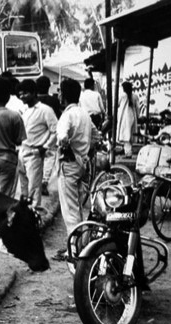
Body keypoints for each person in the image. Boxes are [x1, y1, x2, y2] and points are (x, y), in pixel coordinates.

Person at [53, 79, 96, 260]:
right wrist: (86, 152)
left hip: (69, 166)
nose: (59, 95)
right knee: (78, 208)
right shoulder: (84, 114)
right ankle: (80, 245)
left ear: (64, 95)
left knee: (70, 211)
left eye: (60, 92)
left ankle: (74, 252)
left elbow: (62, 137)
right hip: (83, 166)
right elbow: (96, 135)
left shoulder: (67, 115)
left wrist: (68, 149)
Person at [17, 79, 58, 207]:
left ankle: (34, 217)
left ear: (34, 93)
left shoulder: (45, 110)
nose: (22, 96)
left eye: (25, 93)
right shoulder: (23, 110)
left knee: (34, 190)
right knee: (23, 189)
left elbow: (55, 131)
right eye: (20, 94)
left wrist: (44, 148)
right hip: (22, 151)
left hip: (34, 153)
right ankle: (24, 217)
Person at [36, 75, 60, 196]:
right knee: (49, 159)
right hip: (50, 137)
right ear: (49, 86)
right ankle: (44, 183)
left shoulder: (33, 101)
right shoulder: (54, 101)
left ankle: (35, 184)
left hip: (36, 137)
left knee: (35, 161)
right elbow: (58, 119)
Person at [117, 81, 140, 159]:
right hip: (132, 117)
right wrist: (138, 117)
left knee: (125, 136)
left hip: (124, 118)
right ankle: (128, 151)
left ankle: (128, 153)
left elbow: (116, 104)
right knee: (130, 136)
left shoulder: (122, 96)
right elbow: (138, 108)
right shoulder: (135, 96)